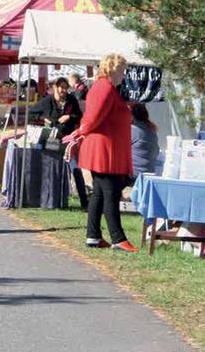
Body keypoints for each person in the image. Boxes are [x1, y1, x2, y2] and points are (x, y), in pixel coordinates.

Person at [64, 53, 136, 252]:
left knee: (99, 194)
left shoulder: (107, 88)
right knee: (110, 193)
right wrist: (79, 132)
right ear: (112, 68)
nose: (124, 73)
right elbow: (93, 116)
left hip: (106, 148)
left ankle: (93, 235)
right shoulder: (104, 87)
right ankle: (118, 238)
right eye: (122, 69)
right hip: (104, 150)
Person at [28, 77, 86, 208]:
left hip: (68, 140)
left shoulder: (71, 100)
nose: (64, 91)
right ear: (55, 87)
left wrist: (70, 117)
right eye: (61, 88)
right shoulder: (47, 101)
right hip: (51, 140)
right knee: (50, 168)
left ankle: (84, 202)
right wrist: (43, 119)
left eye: (66, 88)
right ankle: (49, 199)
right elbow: (30, 113)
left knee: (75, 168)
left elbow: (79, 116)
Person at [130, 103, 159, 177]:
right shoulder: (151, 130)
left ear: (132, 116)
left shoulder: (133, 130)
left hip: (134, 174)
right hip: (150, 171)